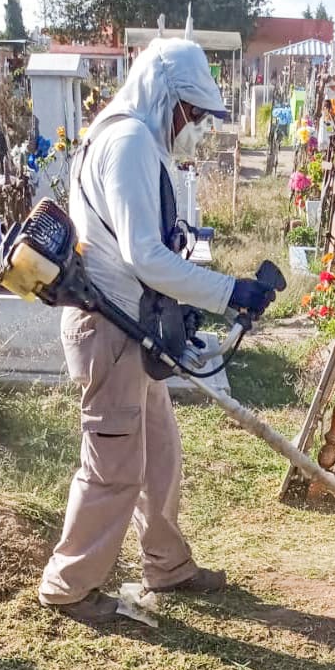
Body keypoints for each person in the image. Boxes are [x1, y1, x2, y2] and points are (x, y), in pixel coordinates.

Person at [37, 38, 276, 624]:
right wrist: (228, 291)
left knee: (160, 454)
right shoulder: (128, 142)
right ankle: (68, 587)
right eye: (194, 113)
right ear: (167, 97)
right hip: (109, 329)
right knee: (113, 466)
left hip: (131, 328)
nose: (197, 127)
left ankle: (166, 565)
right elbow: (143, 254)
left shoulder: (137, 139)